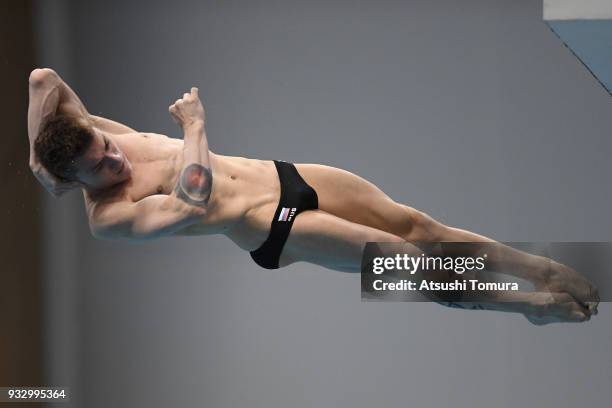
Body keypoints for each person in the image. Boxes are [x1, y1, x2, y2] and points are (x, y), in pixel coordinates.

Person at [27, 68, 599, 324]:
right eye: (99, 166)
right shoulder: (110, 215)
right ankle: (529, 307)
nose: (116, 157)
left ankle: (540, 268)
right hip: (274, 229)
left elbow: (42, 79)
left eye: (106, 144)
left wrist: (38, 162)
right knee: (404, 262)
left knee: (419, 225)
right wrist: (195, 125)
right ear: (79, 182)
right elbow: (192, 199)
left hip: (285, 175)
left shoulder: (89, 138)